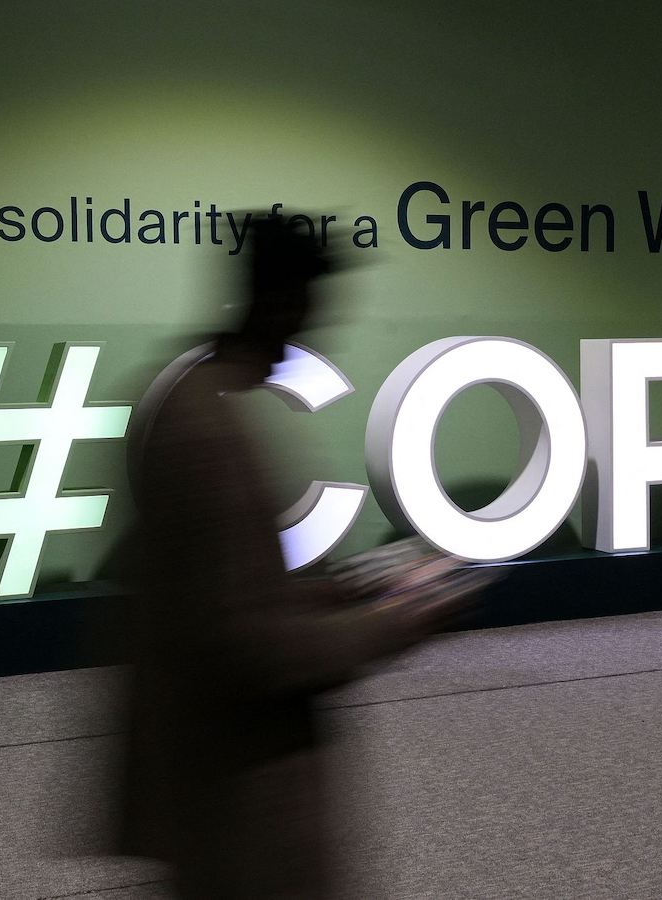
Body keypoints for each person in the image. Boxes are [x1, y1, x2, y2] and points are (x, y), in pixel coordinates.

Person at [116, 215, 463, 899]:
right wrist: (404, 619)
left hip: (205, 778)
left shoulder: (178, 395)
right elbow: (250, 648)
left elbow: (214, 592)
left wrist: (335, 594)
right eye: (310, 315)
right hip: (239, 795)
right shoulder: (205, 432)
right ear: (280, 302)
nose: (311, 339)